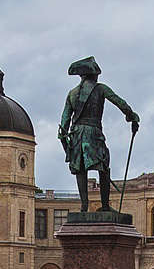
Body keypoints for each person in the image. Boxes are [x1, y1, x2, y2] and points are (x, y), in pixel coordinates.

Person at [57, 57, 140, 213]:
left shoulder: (72, 93)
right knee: (104, 167)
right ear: (92, 75)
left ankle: (84, 206)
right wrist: (132, 116)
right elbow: (119, 102)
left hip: (76, 135)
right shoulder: (100, 89)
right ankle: (105, 206)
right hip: (93, 133)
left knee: (80, 169)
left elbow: (64, 120)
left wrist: (65, 139)